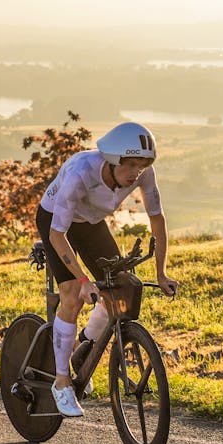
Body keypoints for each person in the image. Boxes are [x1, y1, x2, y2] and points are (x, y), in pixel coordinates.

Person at [36, 121, 178, 417]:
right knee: (73, 294)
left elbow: (158, 222)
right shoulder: (80, 175)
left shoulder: (143, 175)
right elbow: (57, 234)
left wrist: (161, 273)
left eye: (141, 167)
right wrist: (83, 279)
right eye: (129, 166)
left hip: (90, 224)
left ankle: (84, 345)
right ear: (113, 160)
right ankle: (61, 383)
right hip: (56, 222)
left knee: (122, 287)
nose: (134, 174)